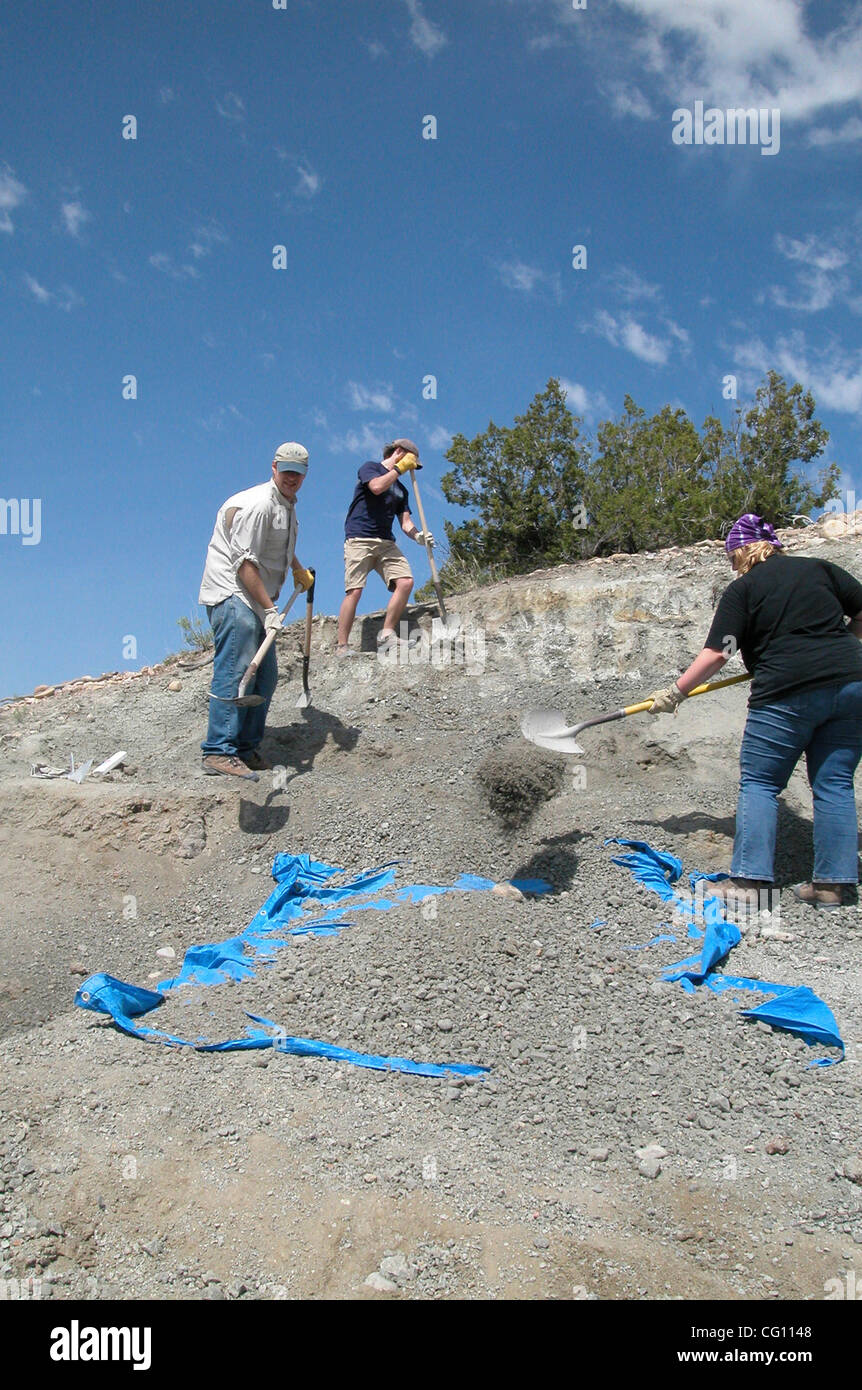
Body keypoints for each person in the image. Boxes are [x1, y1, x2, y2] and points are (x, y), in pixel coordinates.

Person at [649, 513, 862, 911]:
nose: (733, 567)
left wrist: (675, 693)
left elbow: (719, 653)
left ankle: (748, 883)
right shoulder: (821, 569)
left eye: (732, 558)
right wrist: (839, 647)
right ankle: (832, 887)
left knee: (761, 783)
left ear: (743, 551)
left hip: (787, 692)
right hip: (851, 686)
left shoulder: (744, 590)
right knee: (834, 784)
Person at [199, 442, 314, 780]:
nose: (292, 478)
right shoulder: (259, 505)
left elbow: (274, 544)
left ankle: (245, 748)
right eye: (287, 470)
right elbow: (244, 563)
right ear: (274, 467)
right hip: (233, 591)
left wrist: (296, 567)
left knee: (265, 676)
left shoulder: (287, 505)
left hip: (256, 596)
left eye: (299, 473)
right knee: (238, 665)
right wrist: (270, 608)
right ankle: (218, 750)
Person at [336, 438, 434, 657]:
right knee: (355, 590)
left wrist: (419, 536)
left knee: (406, 582)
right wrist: (400, 468)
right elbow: (377, 487)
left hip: (386, 542)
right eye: (411, 462)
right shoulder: (370, 468)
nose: (412, 469)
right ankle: (342, 646)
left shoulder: (402, 491)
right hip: (359, 538)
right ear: (398, 452)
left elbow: (405, 523)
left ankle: (387, 633)